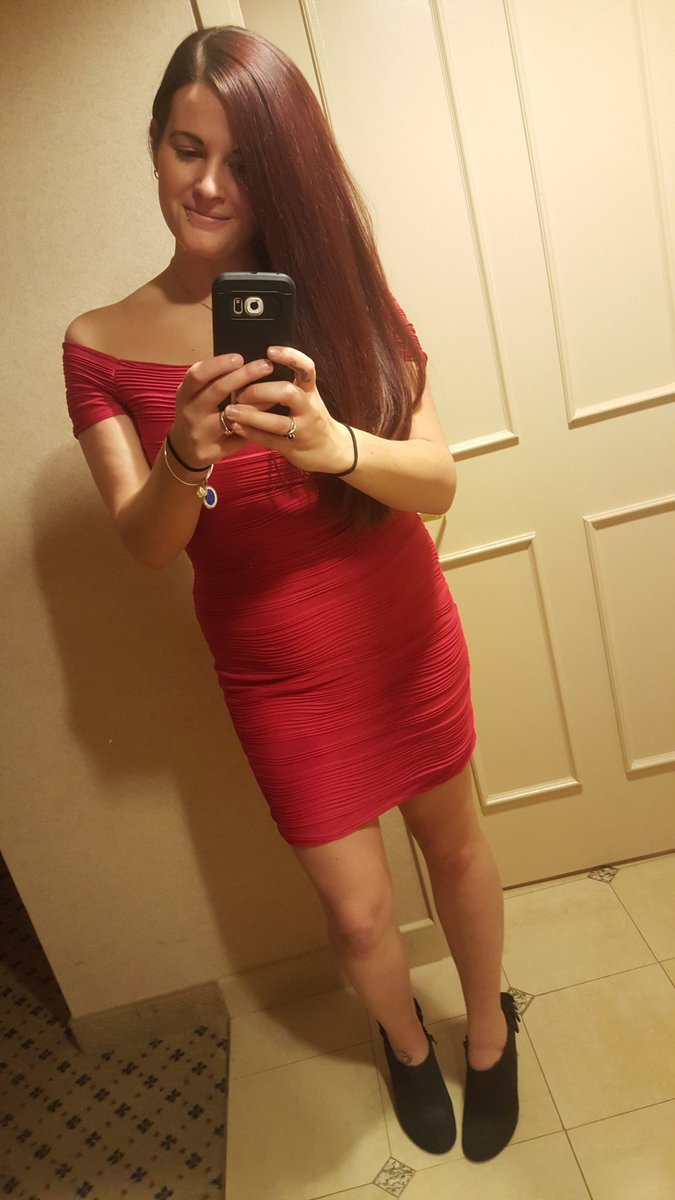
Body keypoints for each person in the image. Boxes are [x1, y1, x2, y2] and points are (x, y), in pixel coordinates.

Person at [63, 26, 519, 1161]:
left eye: (244, 161)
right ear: (154, 147)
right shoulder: (97, 346)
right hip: (277, 673)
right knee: (357, 913)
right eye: (187, 148)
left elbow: (438, 480)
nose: (209, 185)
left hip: (401, 634)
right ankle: (404, 1045)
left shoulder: (342, 294)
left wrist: (329, 443)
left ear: (285, 172)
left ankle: (488, 1038)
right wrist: (185, 453)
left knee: (456, 850)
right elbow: (146, 547)